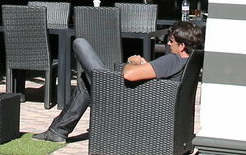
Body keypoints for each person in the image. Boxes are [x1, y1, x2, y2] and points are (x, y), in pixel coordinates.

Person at [34, 20, 203, 143]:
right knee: (86, 79)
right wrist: (145, 65)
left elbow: (129, 75)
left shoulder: (172, 59)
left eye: (171, 41)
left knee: (80, 44)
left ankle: (58, 130)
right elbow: (160, 77)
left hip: (119, 95)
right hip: (145, 102)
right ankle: (58, 131)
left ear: (181, 46)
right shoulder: (187, 61)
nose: (168, 43)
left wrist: (133, 63)